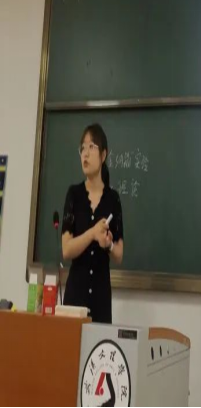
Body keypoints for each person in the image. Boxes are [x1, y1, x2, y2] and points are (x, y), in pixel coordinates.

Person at [62, 124, 124, 324]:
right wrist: (92, 234)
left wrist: (108, 244)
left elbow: (119, 254)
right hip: (75, 297)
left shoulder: (113, 199)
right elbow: (66, 249)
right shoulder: (74, 195)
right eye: (82, 148)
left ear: (103, 155)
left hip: (100, 297)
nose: (85, 154)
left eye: (91, 147)